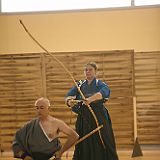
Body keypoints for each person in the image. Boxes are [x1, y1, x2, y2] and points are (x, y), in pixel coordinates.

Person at [65, 62, 119, 160]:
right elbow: (69, 96)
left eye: (90, 70)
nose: (88, 72)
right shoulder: (79, 84)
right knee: (82, 139)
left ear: (95, 72)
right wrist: (70, 101)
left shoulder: (100, 84)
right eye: (86, 70)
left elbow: (103, 93)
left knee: (103, 138)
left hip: (98, 116)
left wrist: (90, 99)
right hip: (84, 117)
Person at [12, 97, 79, 160]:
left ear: (48, 108)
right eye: (37, 108)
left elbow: (74, 136)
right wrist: (24, 156)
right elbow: (17, 141)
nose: (39, 111)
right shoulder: (29, 125)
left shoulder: (57, 123)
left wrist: (61, 152)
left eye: (42, 108)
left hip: (52, 158)